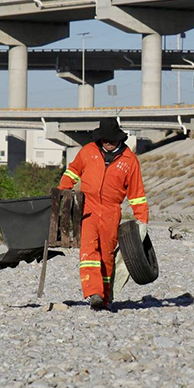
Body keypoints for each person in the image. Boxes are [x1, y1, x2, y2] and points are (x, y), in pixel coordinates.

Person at [57, 119, 148, 311]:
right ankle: (94, 293)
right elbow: (73, 171)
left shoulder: (129, 161)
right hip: (88, 208)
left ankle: (105, 297)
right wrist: (63, 190)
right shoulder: (88, 151)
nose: (107, 143)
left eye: (111, 140)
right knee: (89, 252)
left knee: (107, 255)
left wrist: (142, 220)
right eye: (104, 139)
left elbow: (136, 193)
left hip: (111, 211)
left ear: (118, 139)